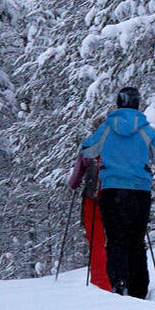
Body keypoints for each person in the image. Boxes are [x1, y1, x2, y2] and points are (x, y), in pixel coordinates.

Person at [79, 87, 155, 298]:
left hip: (111, 192)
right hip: (139, 193)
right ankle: (139, 289)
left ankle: (117, 284)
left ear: (119, 103)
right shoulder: (146, 131)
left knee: (115, 240)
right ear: (137, 104)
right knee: (136, 241)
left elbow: (88, 151)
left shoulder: (105, 129)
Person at [68, 115, 111, 292]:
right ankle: (122, 279)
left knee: (97, 242)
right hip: (117, 198)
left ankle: (101, 284)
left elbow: (75, 179)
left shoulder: (89, 145)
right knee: (120, 240)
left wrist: (74, 184)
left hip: (92, 201)